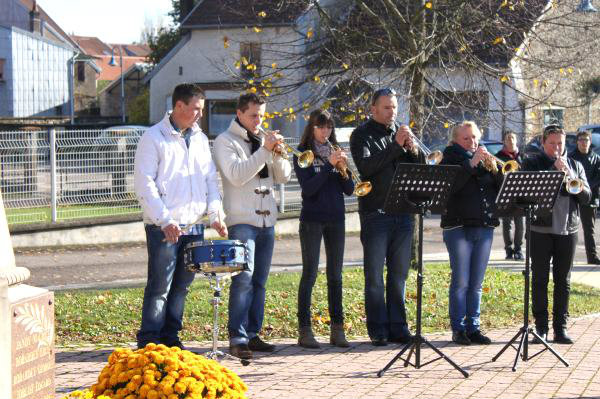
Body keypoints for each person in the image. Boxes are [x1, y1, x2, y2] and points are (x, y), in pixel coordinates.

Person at [134, 83, 227, 349]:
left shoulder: (198, 138)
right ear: (179, 106)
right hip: (163, 226)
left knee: (182, 286)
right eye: (196, 109)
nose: (200, 115)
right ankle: (150, 342)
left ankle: (171, 338)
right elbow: (145, 183)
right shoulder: (153, 137)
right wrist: (165, 220)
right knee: (160, 285)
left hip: (194, 226)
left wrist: (215, 214)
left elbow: (210, 180)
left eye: (202, 109)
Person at [213, 93, 292, 360]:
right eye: (253, 115)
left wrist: (279, 154)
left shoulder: (263, 142)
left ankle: (253, 333)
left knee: (260, 281)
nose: (259, 120)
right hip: (242, 221)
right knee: (243, 280)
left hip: (267, 220)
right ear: (239, 113)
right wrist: (264, 151)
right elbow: (236, 176)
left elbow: (284, 176)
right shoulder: (225, 141)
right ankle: (237, 338)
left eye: (261, 115)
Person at [349, 88, 424, 346]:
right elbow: (366, 167)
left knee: (399, 275)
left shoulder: (400, 134)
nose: (393, 112)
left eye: (394, 107)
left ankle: (398, 327)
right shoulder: (362, 135)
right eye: (387, 108)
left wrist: (412, 150)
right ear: (373, 109)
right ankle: (378, 329)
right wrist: (395, 146)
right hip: (376, 214)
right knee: (375, 277)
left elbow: (421, 168)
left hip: (403, 213)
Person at [523, 125, 590, 344]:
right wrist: (554, 170)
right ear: (543, 143)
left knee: (564, 281)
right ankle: (540, 327)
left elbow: (586, 197)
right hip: (540, 230)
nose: (557, 148)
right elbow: (528, 193)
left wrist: (569, 175)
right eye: (552, 144)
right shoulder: (533, 162)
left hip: (567, 230)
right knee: (540, 280)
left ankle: (560, 329)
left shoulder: (576, 165)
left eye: (560, 143)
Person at [294, 110, 355, 349]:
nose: (325, 132)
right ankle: (304, 330)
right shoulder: (303, 154)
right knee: (310, 274)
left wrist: (343, 167)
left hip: (336, 219)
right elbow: (309, 189)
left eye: (329, 127)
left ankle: (337, 329)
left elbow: (349, 189)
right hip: (312, 219)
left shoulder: (334, 151)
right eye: (321, 127)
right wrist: (329, 166)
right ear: (312, 128)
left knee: (336, 276)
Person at [440, 121, 502, 346]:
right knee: (461, 282)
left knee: (476, 282)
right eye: (466, 138)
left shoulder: (485, 160)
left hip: (484, 226)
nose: (472, 142)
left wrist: (495, 169)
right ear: (456, 140)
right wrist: (470, 163)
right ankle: (458, 329)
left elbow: (500, 187)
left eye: (475, 137)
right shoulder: (450, 158)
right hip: (458, 227)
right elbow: (451, 187)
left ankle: (473, 328)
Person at [569, 130, 600, 265]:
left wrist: (585, 187)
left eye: (586, 140)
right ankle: (565, 256)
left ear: (590, 142)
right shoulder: (571, 157)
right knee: (569, 228)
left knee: (589, 229)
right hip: (573, 197)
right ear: (577, 142)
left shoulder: (596, 158)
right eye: (581, 140)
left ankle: (592, 256)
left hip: (589, 197)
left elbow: (598, 178)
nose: (584, 142)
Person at [496, 130, 525, 260]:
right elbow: (495, 175)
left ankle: (518, 249)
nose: (511, 140)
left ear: (516, 140)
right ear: (504, 141)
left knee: (521, 224)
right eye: (508, 138)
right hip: (506, 193)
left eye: (513, 138)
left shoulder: (522, 156)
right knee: (507, 224)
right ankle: (509, 249)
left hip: (520, 194)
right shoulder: (499, 156)